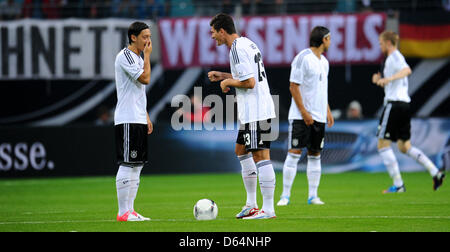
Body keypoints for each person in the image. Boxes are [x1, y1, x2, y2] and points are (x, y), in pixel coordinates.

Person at [208, 13, 277, 219]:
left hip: (256, 109)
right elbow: (247, 75)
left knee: (260, 156)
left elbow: (249, 83)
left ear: (222, 30)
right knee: (241, 151)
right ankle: (251, 204)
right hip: (252, 111)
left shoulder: (237, 49)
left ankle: (268, 209)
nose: (213, 37)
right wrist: (224, 76)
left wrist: (228, 83)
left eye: (213, 33)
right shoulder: (247, 43)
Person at [372, 30, 445, 193]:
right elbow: (395, 80)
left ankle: (398, 185)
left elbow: (407, 70)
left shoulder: (395, 56)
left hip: (394, 104)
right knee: (404, 146)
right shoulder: (392, 59)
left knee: (382, 145)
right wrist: (380, 81)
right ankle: (435, 172)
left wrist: (388, 79)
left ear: (388, 43)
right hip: (404, 105)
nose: (380, 46)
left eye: (381, 43)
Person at [277, 26, 334, 206]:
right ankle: (285, 196)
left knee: (315, 155)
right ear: (323, 39)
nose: (330, 42)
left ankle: (313, 196)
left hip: (319, 117)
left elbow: (321, 89)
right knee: (294, 154)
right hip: (301, 117)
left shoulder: (324, 62)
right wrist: (304, 112)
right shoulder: (302, 58)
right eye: (329, 38)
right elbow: (293, 86)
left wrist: (327, 110)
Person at [114, 21, 153, 221]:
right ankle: (123, 212)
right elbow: (145, 79)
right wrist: (147, 56)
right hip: (127, 117)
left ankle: (131, 210)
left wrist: (145, 115)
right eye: (145, 37)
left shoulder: (137, 57)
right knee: (128, 163)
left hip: (137, 117)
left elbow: (139, 91)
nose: (148, 41)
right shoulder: (125, 57)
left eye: (149, 36)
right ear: (133, 37)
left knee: (137, 165)